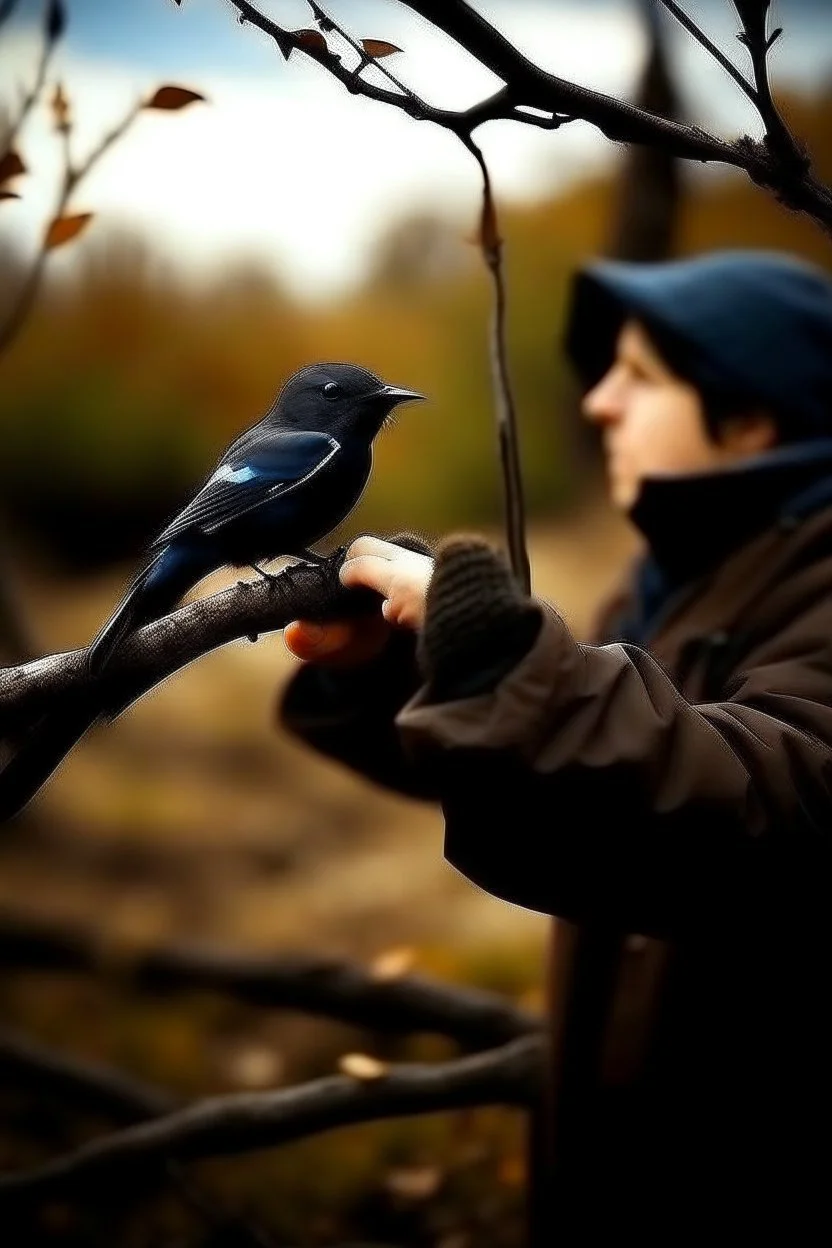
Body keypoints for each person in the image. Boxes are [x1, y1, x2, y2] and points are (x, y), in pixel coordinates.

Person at [278, 249, 832, 1239]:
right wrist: (396, 669)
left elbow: (777, 801)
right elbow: (605, 785)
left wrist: (499, 660)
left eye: (642, 377)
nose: (598, 405)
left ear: (750, 418)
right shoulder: (681, 581)